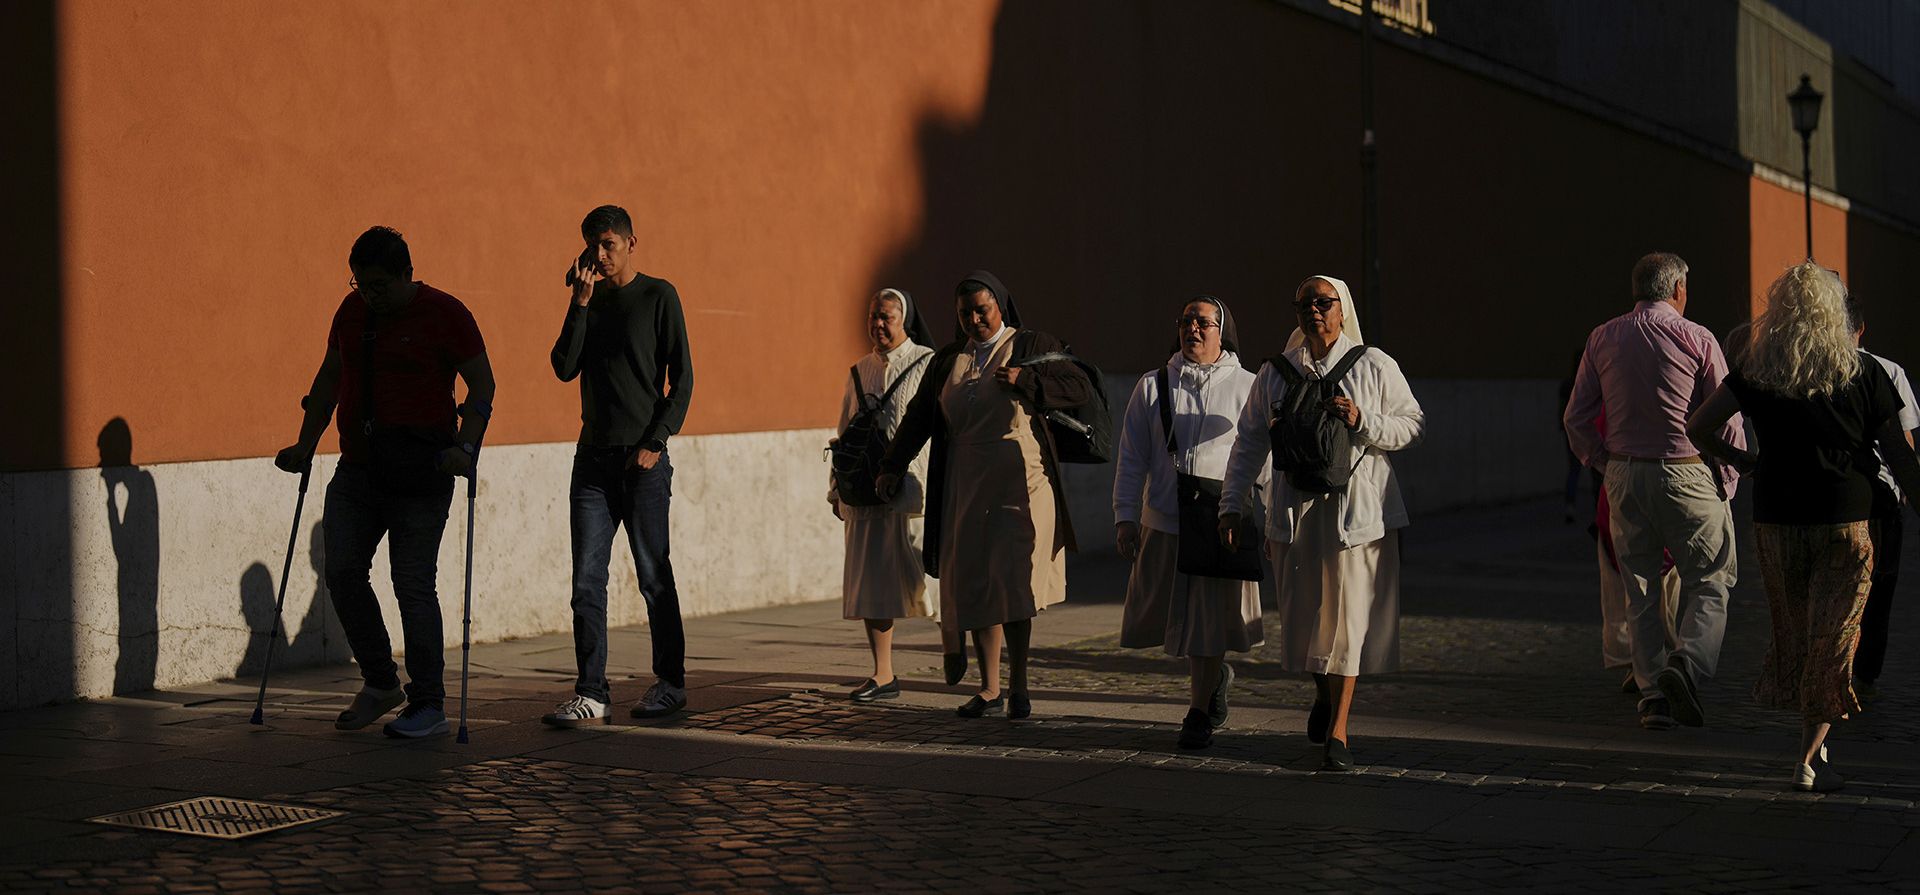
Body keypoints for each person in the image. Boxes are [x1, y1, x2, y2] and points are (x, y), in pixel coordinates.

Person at [1688, 262, 1920, 791]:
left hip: (1776, 520)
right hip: (1845, 520)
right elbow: (1900, 459)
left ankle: (1813, 752)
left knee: (1797, 632)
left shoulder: (1759, 367)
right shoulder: (1864, 371)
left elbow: (1697, 424)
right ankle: (1808, 759)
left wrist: (1742, 461)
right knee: (1833, 635)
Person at [274, 226, 494, 738]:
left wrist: (466, 446)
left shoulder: (446, 313)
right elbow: (330, 378)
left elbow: (482, 383)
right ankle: (380, 683)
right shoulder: (351, 314)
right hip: (358, 469)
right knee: (344, 572)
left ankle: (429, 703)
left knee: (412, 585)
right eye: (359, 284)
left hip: (423, 470)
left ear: (406, 274)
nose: (369, 295)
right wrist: (305, 443)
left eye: (378, 285)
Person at [1219, 275, 1424, 770]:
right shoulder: (1276, 372)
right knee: (1307, 619)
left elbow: (1412, 423)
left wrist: (1363, 421)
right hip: (1296, 512)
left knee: (1348, 622)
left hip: (1356, 517)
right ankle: (1323, 694)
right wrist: (1232, 502)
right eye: (1305, 302)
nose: (1314, 309)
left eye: (1323, 301)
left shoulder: (1374, 364)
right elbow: (1248, 441)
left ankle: (1340, 732)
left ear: (1342, 308)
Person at [875, 271, 1093, 719]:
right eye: (965, 313)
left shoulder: (1030, 345)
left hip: (1022, 481)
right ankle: (990, 687)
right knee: (975, 582)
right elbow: (919, 416)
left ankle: (1019, 685)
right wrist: (891, 466)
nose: (975, 319)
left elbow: (1078, 387)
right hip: (965, 482)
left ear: (1000, 306)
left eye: (982, 310)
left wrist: (1028, 383)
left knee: (1012, 582)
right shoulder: (949, 361)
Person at [1563, 252, 1744, 731]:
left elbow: (1576, 417)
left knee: (1639, 586)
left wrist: (1604, 463)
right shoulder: (1699, 338)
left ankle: (1651, 698)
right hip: (1685, 469)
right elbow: (1726, 417)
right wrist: (1727, 479)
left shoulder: (1603, 336)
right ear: (1679, 289)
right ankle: (1686, 663)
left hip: (1625, 471)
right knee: (1711, 577)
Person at [543, 205, 695, 728]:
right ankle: (591, 691)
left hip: (643, 461)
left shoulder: (659, 296)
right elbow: (563, 367)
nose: (600, 255)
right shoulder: (589, 300)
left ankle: (670, 683)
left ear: (633, 242)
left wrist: (656, 440)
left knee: (653, 575)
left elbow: (684, 378)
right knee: (586, 579)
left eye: (608, 244)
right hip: (592, 461)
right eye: (592, 245)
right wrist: (579, 304)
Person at [1114, 296, 1266, 749]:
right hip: (1165, 519)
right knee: (1172, 619)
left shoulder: (1249, 387)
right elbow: (1131, 458)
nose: (1193, 329)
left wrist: (1275, 520)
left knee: (1207, 620)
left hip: (1222, 521)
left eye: (1203, 322)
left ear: (1223, 331)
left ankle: (1197, 711)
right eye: (1185, 321)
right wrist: (1125, 516)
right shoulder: (1152, 386)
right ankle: (1214, 677)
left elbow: (1264, 461)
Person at [829, 288, 963, 701]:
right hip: (866, 496)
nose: (878, 324)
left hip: (914, 492)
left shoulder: (928, 362)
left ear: (904, 318)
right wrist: (837, 490)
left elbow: (947, 428)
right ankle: (883, 673)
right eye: (873, 316)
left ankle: (954, 645)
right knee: (872, 585)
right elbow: (844, 431)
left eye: (886, 316)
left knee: (934, 578)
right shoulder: (858, 371)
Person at [1848, 298, 1919, 699]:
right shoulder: (1889, 370)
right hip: (1882, 493)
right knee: (1880, 583)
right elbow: (1904, 440)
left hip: (1835, 494)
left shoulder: (1812, 367)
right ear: (1862, 328)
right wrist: (1908, 486)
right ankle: (1865, 673)